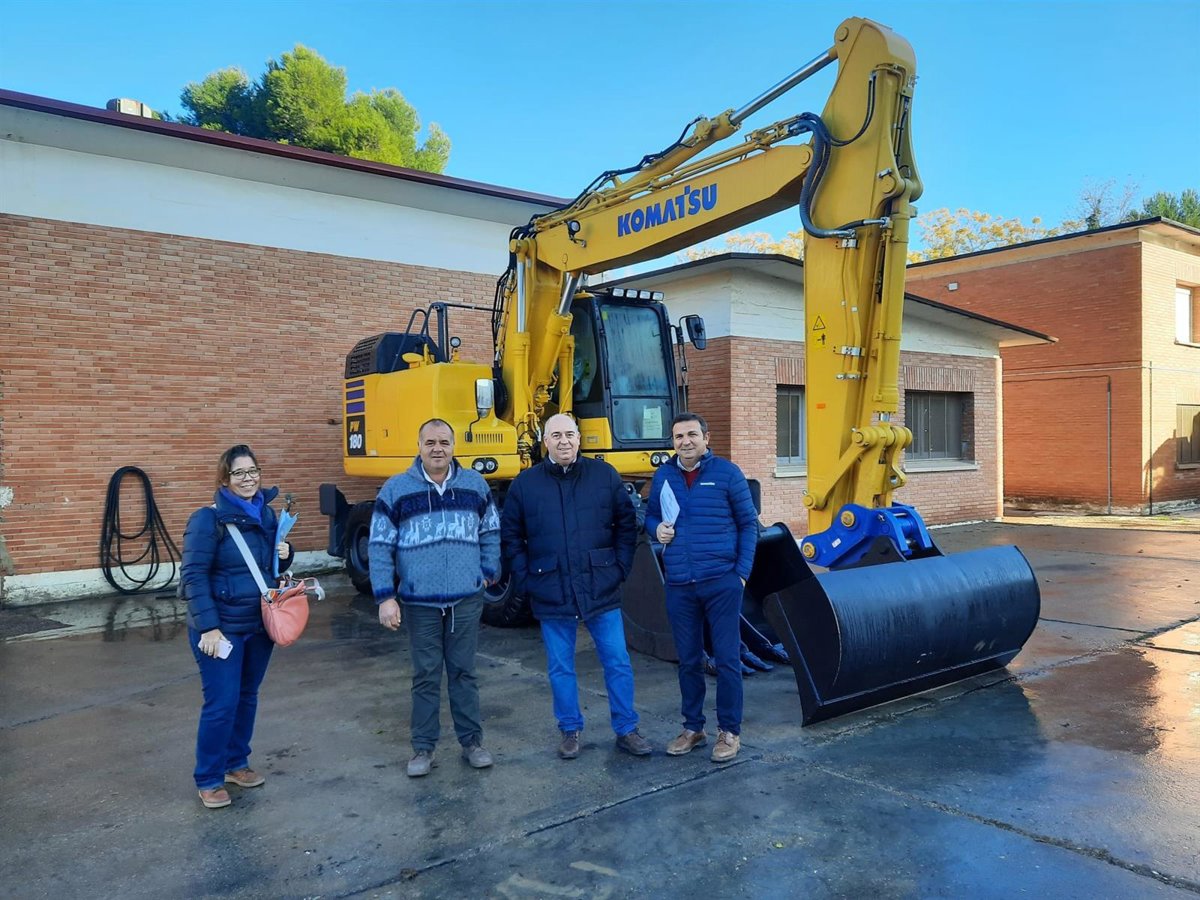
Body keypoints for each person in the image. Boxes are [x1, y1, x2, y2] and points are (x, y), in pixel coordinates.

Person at [501, 414, 653, 760]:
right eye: (556, 435)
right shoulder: (525, 484)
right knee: (560, 667)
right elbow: (511, 537)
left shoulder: (604, 475)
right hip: (551, 587)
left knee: (617, 661)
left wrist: (619, 568)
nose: (564, 441)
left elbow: (625, 525)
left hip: (601, 585)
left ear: (579, 438)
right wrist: (527, 580)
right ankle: (569, 729)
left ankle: (626, 729)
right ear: (545, 441)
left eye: (569, 434)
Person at [369, 418, 501, 777]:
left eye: (444, 442)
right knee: (426, 675)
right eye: (430, 442)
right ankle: (423, 748)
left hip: (466, 600)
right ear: (419, 446)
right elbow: (379, 545)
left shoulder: (474, 484)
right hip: (419, 603)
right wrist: (385, 597)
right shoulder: (396, 489)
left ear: (454, 446)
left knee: (464, 672)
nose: (437, 449)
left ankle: (472, 742)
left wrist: (488, 570)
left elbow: (490, 530)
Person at [182, 444, 294, 809]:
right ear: (224, 479)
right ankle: (209, 778)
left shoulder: (267, 515)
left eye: (253, 471)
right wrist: (209, 628)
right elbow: (193, 576)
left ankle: (235, 764)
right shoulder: (207, 520)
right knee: (222, 703)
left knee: (247, 697)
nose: (248, 479)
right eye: (239, 473)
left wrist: (285, 554)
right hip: (221, 628)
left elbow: (267, 569)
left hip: (258, 624)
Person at [644, 413, 758, 763]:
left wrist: (740, 575)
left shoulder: (727, 474)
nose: (685, 441)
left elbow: (749, 525)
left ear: (707, 438)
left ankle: (729, 731)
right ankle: (693, 728)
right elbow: (650, 516)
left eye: (692, 434)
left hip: (721, 582)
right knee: (689, 660)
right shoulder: (664, 475)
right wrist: (655, 529)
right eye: (679, 436)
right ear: (673, 441)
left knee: (726, 659)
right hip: (680, 584)